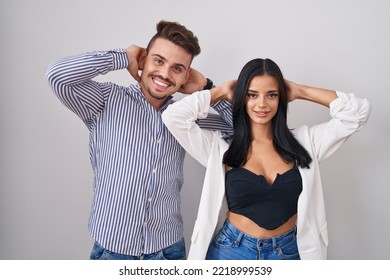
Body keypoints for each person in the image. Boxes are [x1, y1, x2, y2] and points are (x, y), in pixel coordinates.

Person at [45, 20, 232, 260]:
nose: (164, 74)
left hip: (167, 250)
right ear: (143, 60)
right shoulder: (106, 100)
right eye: (158, 60)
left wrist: (207, 89)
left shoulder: (188, 116)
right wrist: (122, 56)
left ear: (186, 76)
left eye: (177, 68)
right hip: (112, 250)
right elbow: (57, 75)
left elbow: (245, 132)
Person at [162, 58, 371, 260]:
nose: (261, 104)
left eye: (271, 95)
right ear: (242, 96)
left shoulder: (307, 142)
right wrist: (220, 91)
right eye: (252, 95)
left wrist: (300, 91)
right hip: (231, 251)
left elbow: (357, 112)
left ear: (281, 98)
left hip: (290, 251)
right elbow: (173, 117)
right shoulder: (220, 148)